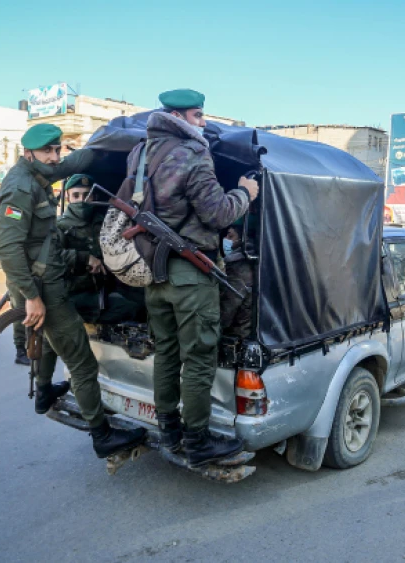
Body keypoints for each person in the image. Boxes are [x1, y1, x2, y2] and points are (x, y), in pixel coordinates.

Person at [0, 123, 146, 459]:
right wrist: (32, 297)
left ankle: (45, 393)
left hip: (50, 281)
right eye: (47, 151)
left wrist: (104, 146)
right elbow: (5, 249)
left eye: (57, 149)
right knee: (82, 364)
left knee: (52, 342)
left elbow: (71, 165)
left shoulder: (38, 173)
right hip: (44, 289)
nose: (54, 157)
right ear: (27, 153)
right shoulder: (20, 188)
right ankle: (101, 435)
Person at [144, 89, 259, 467]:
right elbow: (218, 213)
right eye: (197, 115)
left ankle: (168, 429)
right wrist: (245, 193)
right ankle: (197, 440)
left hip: (154, 272)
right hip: (191, 275)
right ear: (177, 116)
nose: (203, 122)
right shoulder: (192, 154)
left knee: (166, 353)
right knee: (198, 358)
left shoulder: (140, 152)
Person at [35, 173, 147, 381]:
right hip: (76, 293)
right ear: (68, 197)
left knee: (144, 301)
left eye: (86, 195)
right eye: (76, 195)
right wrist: (83, 258)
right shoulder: (60, 227)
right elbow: (49, 257)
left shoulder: (102, 222)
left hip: (105, 287)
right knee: (127, 307)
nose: (81, 200)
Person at [219, 224, 254, 338]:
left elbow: (227, 309)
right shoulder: (252, 261)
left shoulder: (237, 267)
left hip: (236, 334)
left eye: (231, 236)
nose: (226, 240)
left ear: (242, 240)